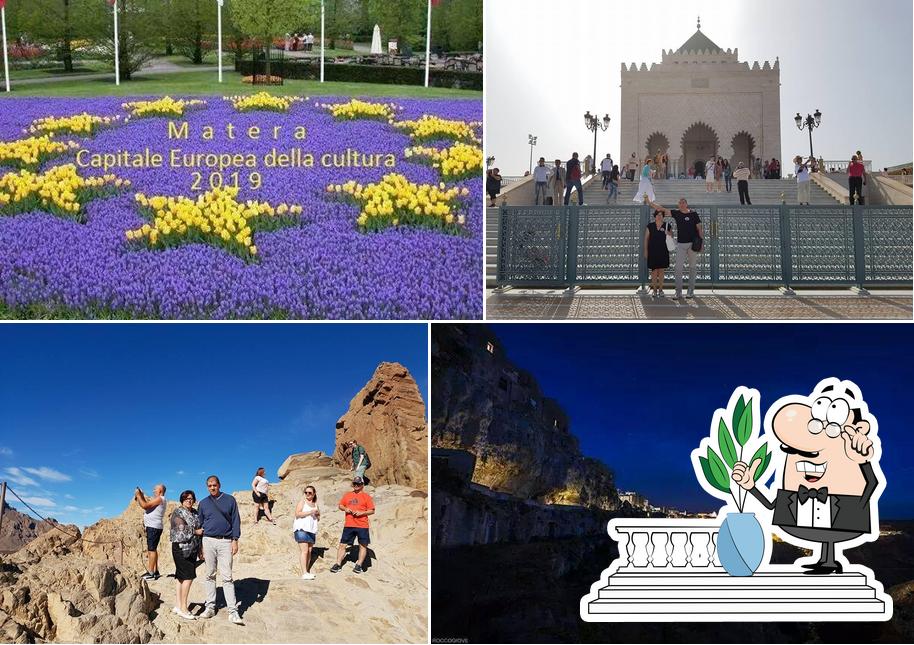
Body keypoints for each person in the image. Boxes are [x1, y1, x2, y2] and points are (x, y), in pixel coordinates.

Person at [198, 475, 243, 625]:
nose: (212, 487)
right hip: (208, 541)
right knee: (209, 575)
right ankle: (210, 607)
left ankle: (233, 611)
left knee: (227, 576)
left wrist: (235, 540)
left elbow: (236, 520)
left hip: (225, 541)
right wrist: (201, 546)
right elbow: (200, 524)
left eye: (214, 485)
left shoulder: (230, 500)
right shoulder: (203, 503)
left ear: (219, 485)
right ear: (207, 487)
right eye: (209, 485)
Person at [647, 197, 703, 299]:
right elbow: (661, 209)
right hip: (681, 244)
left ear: (686, 204)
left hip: (692, 245)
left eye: (683, 202)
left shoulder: (694, 214)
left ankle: (691, 291)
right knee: (678, 269)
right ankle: (678, 292)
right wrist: (650, 203)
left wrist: (702, 242)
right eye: (680, 203)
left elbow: (699, 228)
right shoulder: (677, 213)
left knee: (692, 268)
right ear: (678, 205)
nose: (681, 204)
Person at [330, 477, 375, 575]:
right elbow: (341, 505)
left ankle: (359, 565)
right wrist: (345, 509)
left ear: (362, 485)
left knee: (363, 545)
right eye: (354, 484)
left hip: (362, 525)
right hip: (349, 524)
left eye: (358, 484)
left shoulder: (366, 497)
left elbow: (372, 510)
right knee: (342, 544)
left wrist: (361, 513)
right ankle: (338, 564)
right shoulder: (348, 495)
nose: (356, 486)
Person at [170, 490, 203, 621]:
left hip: (193, 549)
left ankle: (178, 606)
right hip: (181, 549)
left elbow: (201, 530)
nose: (189, 500)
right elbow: (180, 529)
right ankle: (184, 608)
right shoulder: (178, 512)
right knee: (188, 577)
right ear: (182, 500)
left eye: (191, 498)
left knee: (180, 577)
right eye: (186, 498)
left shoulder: (195, 513)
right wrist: (196, 531)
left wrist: (200, 548)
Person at [135, 484, 166, 581]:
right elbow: (146, 504)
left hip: (153, 527)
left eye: (155, 489)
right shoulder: (159, 500)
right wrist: (142, 495)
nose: (153, 491)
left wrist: (138, 495)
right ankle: (155, 571)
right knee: (153, 549)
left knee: (151, 550)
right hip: (154, 527)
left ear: (160, 491)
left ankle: (151, 573)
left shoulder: (160, 498)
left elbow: (144, 505)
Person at [293, 485, 321, 580]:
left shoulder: (316, 504)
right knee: (304, 551)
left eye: (310, 493)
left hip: (311, 530)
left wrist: (317, 514)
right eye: (306, 492)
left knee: (309, 551)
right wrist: (310, 512)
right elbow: (297, 514)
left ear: (314, 494)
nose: (308, 494)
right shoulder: (302, 502)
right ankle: (304, 573)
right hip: (302, 529)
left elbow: (318, 518)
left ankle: (307, 572)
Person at [643, 208, 672, 297]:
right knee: (654, 271)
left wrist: (669, 233)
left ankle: (661, 289)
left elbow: (672, 236)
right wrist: (645, 250)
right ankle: (654, 290)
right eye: (657, 215)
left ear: (663, 217)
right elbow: (646, 239)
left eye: (661, 215)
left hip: (663, 251)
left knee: (662, 270)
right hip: (652, 251)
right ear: (655, 216)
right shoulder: (650, 226)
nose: (659, 216)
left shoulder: (667, 225)